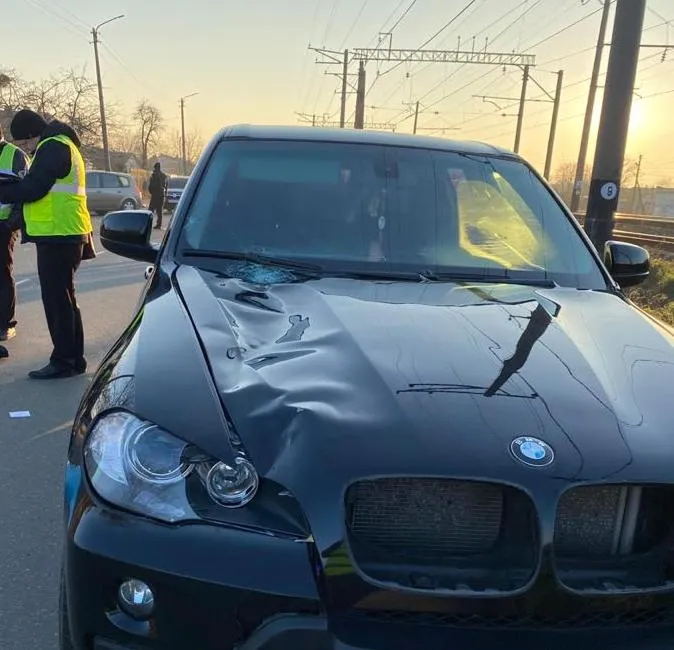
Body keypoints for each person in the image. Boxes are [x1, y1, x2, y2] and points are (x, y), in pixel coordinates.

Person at [0, 109, 94, 379]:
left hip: (58, 233)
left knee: (57, 300)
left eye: (24, 143)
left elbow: (33, 188)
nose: (25, 150)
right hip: (66, 232)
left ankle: (64, 359)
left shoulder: (51, 146)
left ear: (31, 135)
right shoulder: (63, 144)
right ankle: (74, 357)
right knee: (65, 298)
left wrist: (4, 190)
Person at [0, 125, 29, 343]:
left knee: (1, 273)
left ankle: (5, 324)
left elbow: (25, 193)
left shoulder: (15, 155)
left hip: (3, 224)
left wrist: (12, 224)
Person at [147, 161, 168, 229]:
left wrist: (151, 192)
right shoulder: (164, 176)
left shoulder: (154, 175)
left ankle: (147, 224)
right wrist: (165, 193)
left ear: (155, 167)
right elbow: (166, 186)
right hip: (161, 195)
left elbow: (151, 186)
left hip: (155, 194)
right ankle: (159, 224)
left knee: (150, 210)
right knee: (159, 211)